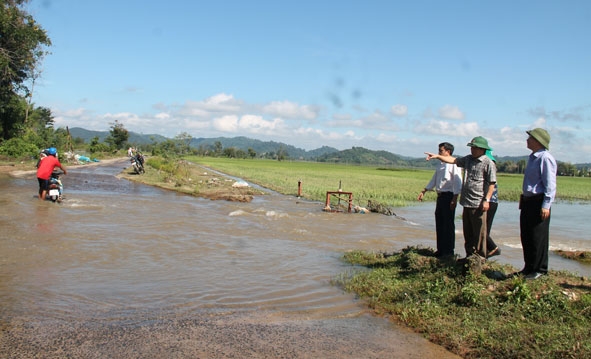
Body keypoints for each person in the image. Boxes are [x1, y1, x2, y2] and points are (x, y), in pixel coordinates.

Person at [425, 136, 497, 259]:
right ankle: (469, 256)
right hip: (466, 202)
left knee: (479, 233)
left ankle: (480, 258)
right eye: (472, 147)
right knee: (467, 232)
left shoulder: (488, 163)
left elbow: (491, 183)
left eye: (474, 148)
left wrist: (486, 200)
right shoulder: (468, 160)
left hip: (478, 202)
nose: (472, 150)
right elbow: (453, 160)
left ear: (482, 149)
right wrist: (437, 157)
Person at [517, 128, 557, 280]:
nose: (527, 140)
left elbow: (550, 185)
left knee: (538, 236)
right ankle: (528, 267)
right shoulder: (532, 157)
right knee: (526, 234)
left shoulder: (545, 158)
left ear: (538, 141)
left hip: (539, 201)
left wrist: (546, 205)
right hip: (528, 201)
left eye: (530, 138)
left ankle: (540, 269)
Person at [418, 142, 463, 258]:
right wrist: (425, 190)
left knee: (448, 224)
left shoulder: (454, 164)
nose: (439, 153)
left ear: (448, 152)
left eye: (441, 151)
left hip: (449, 196)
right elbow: (435, 179)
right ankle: (440, 249)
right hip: (441, 196)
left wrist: (455, 198)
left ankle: (448, 251)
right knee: (440, 222)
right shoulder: (441, 165)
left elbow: (458, 182)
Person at [485, 149, 500, 257]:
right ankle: (484, 252)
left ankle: (493, 248)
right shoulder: (491, 163)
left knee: (481, 229)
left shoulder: (489, 163)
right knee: (484, 228)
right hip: (490, 201)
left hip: (489, 201)